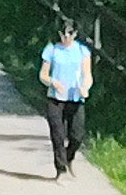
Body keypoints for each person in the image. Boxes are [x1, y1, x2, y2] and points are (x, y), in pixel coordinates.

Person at [36, 16, 93, 175]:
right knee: (58, 135)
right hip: (56, 99)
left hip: (75, 98)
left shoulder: (82, 51)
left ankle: (69, 157)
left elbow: (87, 75)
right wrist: (52, 82)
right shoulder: (52, 50)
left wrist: (85, 87)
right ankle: (60, 170)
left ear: (75, 34)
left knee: (77, 136)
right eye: (63, 33)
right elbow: (43, 75)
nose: (66, 37)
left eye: (70, 33)